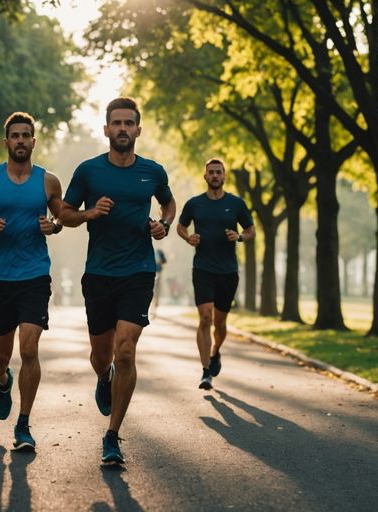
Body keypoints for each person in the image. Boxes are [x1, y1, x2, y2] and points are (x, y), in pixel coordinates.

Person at [59, 97, 175, 465]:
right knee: (101, 355)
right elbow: (63, 213)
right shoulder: (89, 171)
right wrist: (90, 212)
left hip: (138, 271)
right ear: (106, 129)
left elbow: (169, 204)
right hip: (98, 274)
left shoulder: (153, 171)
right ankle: (103, 376)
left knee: (126, 349)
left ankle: (112, 435)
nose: (123, 129)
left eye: (129, 123)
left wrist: (164, 224)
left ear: (138, 130)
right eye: (117, 123)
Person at [0, 112, 64, 452]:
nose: (21, 140)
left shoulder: (48, 181)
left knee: (30, 348)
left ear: (34, 141)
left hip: (35, 274)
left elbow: (61, 217)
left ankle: (24, 424)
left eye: (26, 135)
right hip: (0, 277)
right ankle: (3, 382)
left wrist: (55, 226)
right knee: (1, 355)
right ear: (6, 142)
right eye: (15, 136)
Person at [177, 159, 255, 390]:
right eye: (210, 172)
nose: (214, 175)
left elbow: (250, 230)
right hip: (202, 268)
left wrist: (239, 237)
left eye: (218, 172)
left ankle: (215, 351)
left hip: (228, 271)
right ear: (205, 176)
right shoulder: (194, 204)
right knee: (205, 318)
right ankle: (205, 372)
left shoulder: (236, 204)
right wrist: (188, 237)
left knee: (220, 324)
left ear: (224, 176)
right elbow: (181, 226)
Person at [150, 248, 168, 318]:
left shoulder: (160, 251)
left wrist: (160, 262)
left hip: (158, 274)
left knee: (156, 292)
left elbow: (165, 261)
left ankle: (154, 310)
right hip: (150, 274)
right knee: (152, 292)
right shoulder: (148, 248)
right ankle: (152, 311)